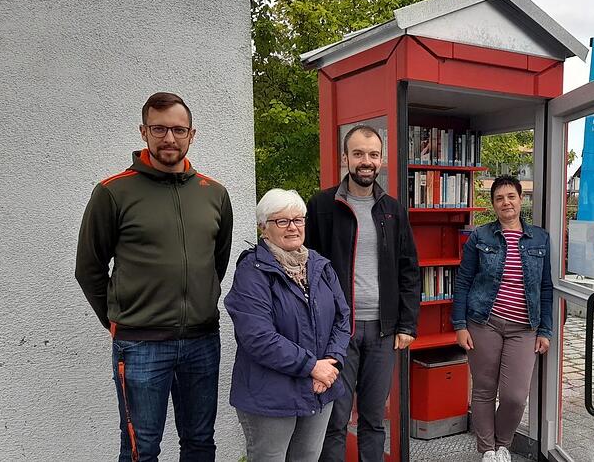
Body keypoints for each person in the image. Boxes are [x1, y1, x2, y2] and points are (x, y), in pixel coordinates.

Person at [75, 91, 233, 461]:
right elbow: (89, 268)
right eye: (159, 129)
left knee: (199, 442)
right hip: (140, 344)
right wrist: (120, 320)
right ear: (143, 131)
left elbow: (215, 263)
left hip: (202, 341)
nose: (169, 138)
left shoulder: (214, 194)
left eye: (179, 130)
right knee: (140, 448)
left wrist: (197, 303)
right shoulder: (113, 192)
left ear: (192, 135)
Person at [305, 125, 421, 462]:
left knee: (373, 419)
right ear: (345, 158)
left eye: (372, 154)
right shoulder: (322, 206)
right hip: (338, 332)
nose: (365, 161)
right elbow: (309, 269)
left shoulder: (393, 210)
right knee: (335, 420)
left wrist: (407, 325)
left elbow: (409, 269)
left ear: (381, 160)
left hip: (384, 332)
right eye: (358, 154)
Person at [225, 188, 351, 462]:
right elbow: (258, 337)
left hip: (320, 387)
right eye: (282, 221)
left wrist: (332, 361)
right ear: (263, 228)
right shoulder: (252, 272)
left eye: (299, 219)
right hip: (270, 394)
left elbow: (343, 317)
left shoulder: (320, 266)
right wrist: (313, 367)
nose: (293, 227)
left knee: (307, 457)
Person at [452, 175, 553, 462]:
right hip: (484, 322)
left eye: (511, 196)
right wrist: (460, 325)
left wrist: (545, 330)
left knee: (515, 395)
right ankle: (487, 450)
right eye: (499, 198)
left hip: (524, 328)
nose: (506, 202)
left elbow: (546, 287)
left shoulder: (540, 238)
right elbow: (463, 281)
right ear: (493, 205)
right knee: (484, 389)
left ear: (521, 200)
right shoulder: (480, 236)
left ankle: (502, 443)